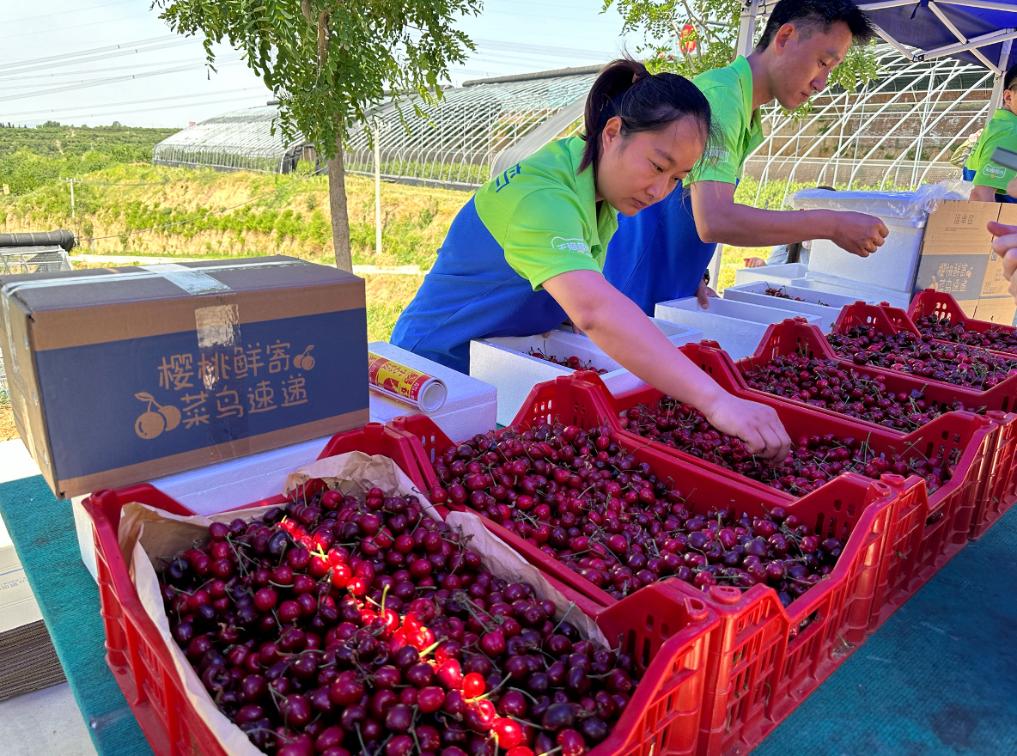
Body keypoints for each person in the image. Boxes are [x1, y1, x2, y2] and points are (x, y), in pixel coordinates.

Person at [391, 59, 791, 459]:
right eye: (657, 166)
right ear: (613, 132)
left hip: (490, 375)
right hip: (433, 376)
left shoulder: (595, 193)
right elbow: (593, 310)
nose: (659, 190)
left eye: (677, 178)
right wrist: (717, 401)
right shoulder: (542, 196)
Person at [603, 0, 888, 316]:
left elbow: (681, 212)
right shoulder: (720, 98)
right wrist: (830, 223)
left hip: (658, 294)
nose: (821, 84)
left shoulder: (741, 107)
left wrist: (692, 273)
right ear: (785, 37)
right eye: (822, 62)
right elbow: (715, 220)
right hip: (626, 297)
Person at [964, 64, 1017, 203]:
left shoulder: (1000, 126)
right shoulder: (1010, 133)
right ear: (1008, 97)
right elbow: (981, 195)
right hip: (1001, 220)